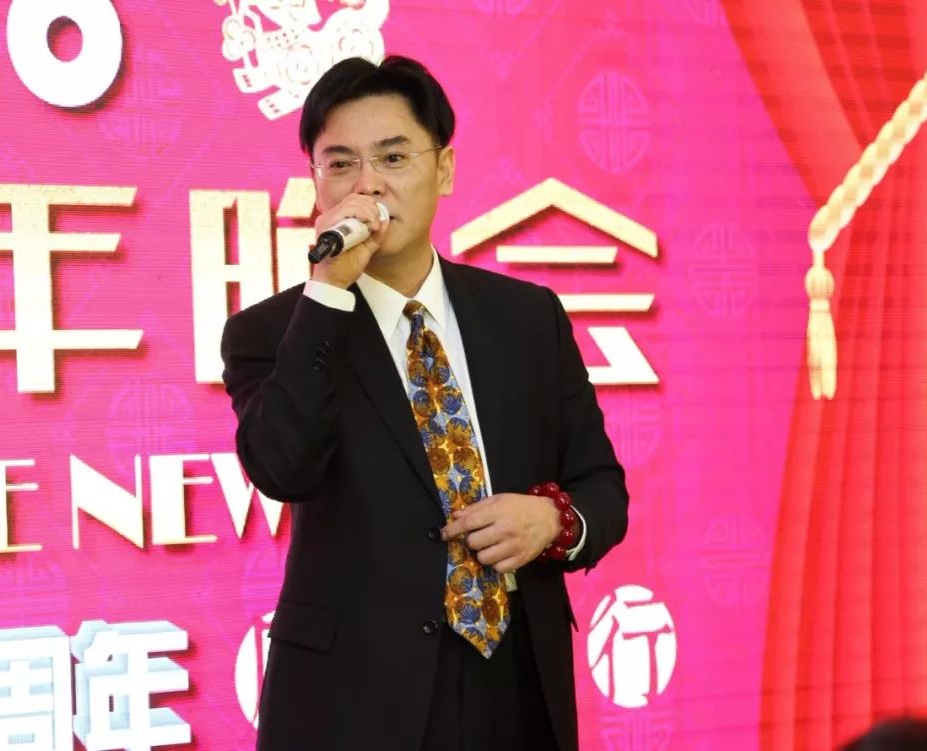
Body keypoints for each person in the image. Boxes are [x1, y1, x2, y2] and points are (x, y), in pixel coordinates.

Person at [221, 54, 629, 751]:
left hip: (517, 679)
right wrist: (327, 293)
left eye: (393, 157)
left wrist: (553, 520)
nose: (368, 184)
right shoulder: (274, 332)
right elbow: (282, 467)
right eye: (340, 163)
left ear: (443, 169)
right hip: (354, 698)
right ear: (315, 182)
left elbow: (603, 488)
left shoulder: (528, 317)